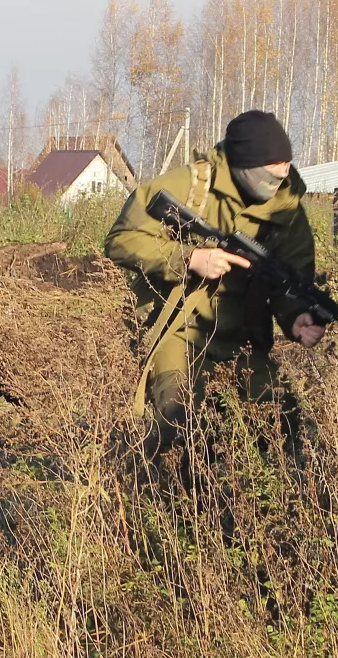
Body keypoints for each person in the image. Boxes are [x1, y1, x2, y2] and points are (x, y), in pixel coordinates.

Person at [104, 110, 324, 447]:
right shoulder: (192, 186)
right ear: (243, 165)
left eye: (284, 171)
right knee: (176, 419)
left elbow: (290, 279)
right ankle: (150, 478)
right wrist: (190, 258)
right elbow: (121, 241)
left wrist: (296, 316)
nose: (278, 180)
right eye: (270, 173)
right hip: (180, 328)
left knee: (282, 426)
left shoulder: (287, 210)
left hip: (244, 336)